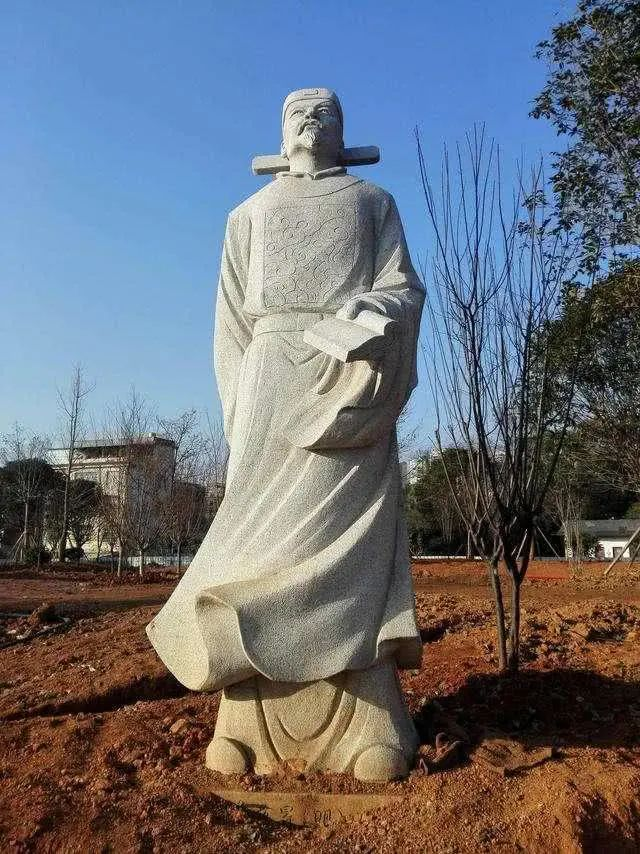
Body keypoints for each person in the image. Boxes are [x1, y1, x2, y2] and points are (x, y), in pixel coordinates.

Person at [147, 88, 425, 780]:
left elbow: (403, 287)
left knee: (346, 545)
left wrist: (370, 315)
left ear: (342, 131)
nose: (311, 118)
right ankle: (246, 724)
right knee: (258, 548)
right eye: (298, 111)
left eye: (325, 111)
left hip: (347, 380)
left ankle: (368, 723)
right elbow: (230, 324)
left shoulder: (373, 202)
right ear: (281, 131)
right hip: (269, 384)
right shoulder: (248, 214)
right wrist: (239, 408)